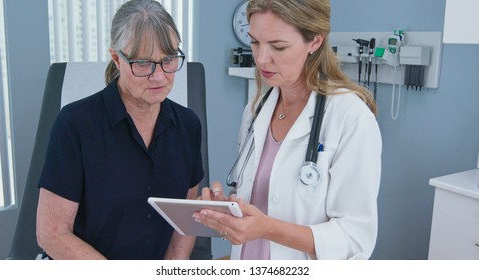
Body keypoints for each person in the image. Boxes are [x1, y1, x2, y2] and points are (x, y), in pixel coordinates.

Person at [194, 0, 381, 260]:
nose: (260, 58)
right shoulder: (256, 110)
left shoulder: (350, 117)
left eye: (278, 46)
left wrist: (268, 229)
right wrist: (228, 211)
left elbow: (354, 238)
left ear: (315, 42)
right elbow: (257, 199)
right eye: (255, 42)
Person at [36, 0, 203, 260]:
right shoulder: (75, 125)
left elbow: (185, 218)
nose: (159, 77)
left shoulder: (188, 126)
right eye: (144, 64)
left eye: (168, 60)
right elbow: (52, 233)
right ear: (117, 58)